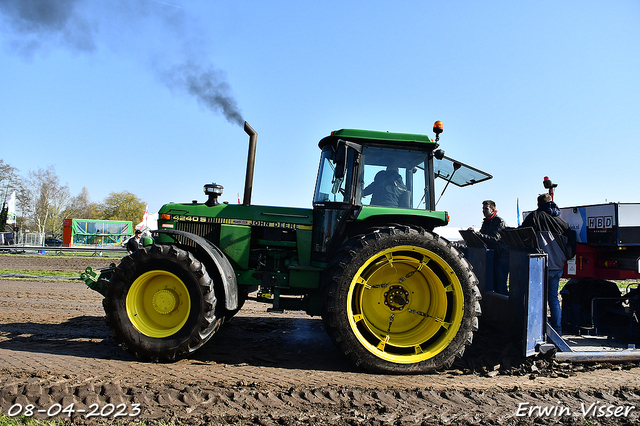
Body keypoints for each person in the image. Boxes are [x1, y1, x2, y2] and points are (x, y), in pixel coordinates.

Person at [520, 193, 572, 334]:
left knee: (538, 299)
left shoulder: (535, 217)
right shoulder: (562, 222)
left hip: (541, 265)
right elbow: (572, 245)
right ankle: (557, 329)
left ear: (538, 204)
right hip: (558, 265)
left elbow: (521, 233)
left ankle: (539, 330)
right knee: (553, 298)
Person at [473, 200, 509, 295]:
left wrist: (477, 235)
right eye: (483, 209)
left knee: (500, 286)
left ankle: (505, 307)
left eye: (486, 209)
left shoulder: (498, 222)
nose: (484, 211)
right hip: (490, 257)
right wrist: (473, 235)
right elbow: (482, 236)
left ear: (493, 210)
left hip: (501, 257)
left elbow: (494, 239)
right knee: (492, 285)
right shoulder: (485, 222)